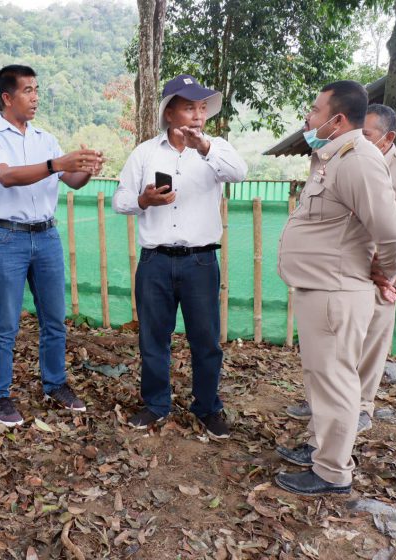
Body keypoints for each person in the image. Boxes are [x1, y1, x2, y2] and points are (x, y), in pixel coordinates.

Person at [275, 82, 396, 496]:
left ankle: (332, 471)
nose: (309, 117)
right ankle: (320, 448)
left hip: (336, 292)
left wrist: (384, 273)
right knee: (322, 378)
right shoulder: (334, 157)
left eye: (316, 110)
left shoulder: (358, 161)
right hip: (321, 289)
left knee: (335, 382)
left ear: (336, 120)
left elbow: (395, 236)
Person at [284, 104, 396, 430]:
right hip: (338, 272)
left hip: (380, 278)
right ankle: (318, 404)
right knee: (327, 349)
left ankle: (362, 408)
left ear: (388, 137)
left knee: (368, 350)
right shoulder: (338, 160)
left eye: (366, 134)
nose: (358, 139)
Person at [112, 75, 247, 436]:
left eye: (202, 108)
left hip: (200, 261)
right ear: (169, 113)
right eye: (189, 107)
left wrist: (205, 148)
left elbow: (239, 173)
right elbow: (120, 201)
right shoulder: (145, 153)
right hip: (154, 261)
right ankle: (156, 405)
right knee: (153, 339)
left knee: (206, 340)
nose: (198, 115)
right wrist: (144, 200)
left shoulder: (217, 149)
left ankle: (207, 407)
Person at [0, 64, 105, 427]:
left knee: (54, 319)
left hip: (47, 236)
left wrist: (88, 167)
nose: (35, 97)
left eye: (36, 90)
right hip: (8, 237)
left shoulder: (45, 137)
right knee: (5, 321)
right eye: (27, 90)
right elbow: (7, 177)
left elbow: (72, 180)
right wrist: (56, 163)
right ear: (7, 97)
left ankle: (55, 384)